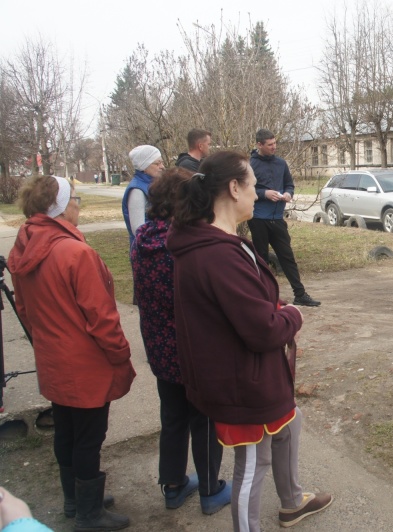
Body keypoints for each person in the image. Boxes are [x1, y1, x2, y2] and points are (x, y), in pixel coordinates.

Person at [166, 151, 333, 531]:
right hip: (242, 379)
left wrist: (269, 306)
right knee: (253, 463)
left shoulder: (214, 242)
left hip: (247, 373)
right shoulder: (216, 253)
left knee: (291, 422)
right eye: (254, 187)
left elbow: (238, 305)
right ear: (233, 187)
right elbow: (262, 330)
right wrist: (291, 315)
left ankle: (291, 501)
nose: (258, 195)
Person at [8, 176, 135, 531]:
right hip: (85, 363)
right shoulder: (75, 252)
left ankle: (74, 498)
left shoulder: (23, 246)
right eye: (76, 199)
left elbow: (24, 308)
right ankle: (89, 514)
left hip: (54, 359)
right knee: (88, 437)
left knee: (66, 431)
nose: (80, 205)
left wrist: (46, 338)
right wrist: (120, 355)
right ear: (61, 207)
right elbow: (102, 318)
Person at [130, 167, 232, 514]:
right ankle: (209, 489)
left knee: (172, 416)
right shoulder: (184, 243)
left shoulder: (142, 239)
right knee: (203, 418)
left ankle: (173, 485)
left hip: (158, 345)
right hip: (192, 347)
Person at [249, 129, 320, 307]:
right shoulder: (250, 165)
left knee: (287, 256)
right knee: (262, 259)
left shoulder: (281, 163)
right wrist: (264, 193)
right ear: (259, 145)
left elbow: (289, 184)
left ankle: (300, 294)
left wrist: (288, 193)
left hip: (277, 218)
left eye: (275, 143)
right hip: (258, 218)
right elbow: (246, 190)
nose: (274, 147)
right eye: (270, 144)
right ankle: (263, 298)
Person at [123, 145, 164, 247]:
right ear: (144, 167)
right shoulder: (137, 190)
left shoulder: (152, 185)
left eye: (162, 162)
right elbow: (138, 230)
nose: (162, 166)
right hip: (147, 251)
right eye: (157, 163)